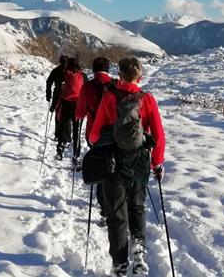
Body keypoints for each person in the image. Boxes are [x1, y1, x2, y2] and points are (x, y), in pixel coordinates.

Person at [89, 57, 165, 277]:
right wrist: (157, 162)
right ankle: (139, 251)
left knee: (116, 214)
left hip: (114, 162)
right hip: (140, 161)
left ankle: (120, 263)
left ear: (119, 75)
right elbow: (158, 136)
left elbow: (94, 135)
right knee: (137, 207)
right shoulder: (147, 100)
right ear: (140, 77)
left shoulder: (109, 98)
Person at [76, 56, 114, 218]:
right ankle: (116, 201)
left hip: (94, 134)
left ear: (93, 69)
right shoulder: (116, 84)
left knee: (101, 170)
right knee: (114, 166)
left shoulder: (87, 86)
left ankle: (104, 207)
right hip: (115, 134)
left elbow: (79, 112)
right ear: (108, 68)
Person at [54, 57, 83, 161]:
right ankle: (76, 155)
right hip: (78, 105)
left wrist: (54, 104)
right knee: (77, 131)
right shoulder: (82, 74)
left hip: (66, 104)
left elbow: (58, 89)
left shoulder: (64, 73)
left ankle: (60, 149)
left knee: (63, 126)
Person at [45, 55, 68, 143]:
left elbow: (49, 82)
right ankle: (67, 137)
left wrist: (48, 95)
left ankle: (57, 136)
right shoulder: (70, 71)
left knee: (58, 115)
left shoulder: (56, 70)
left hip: (57, 94)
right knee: (67, 116)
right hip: (69, 96)